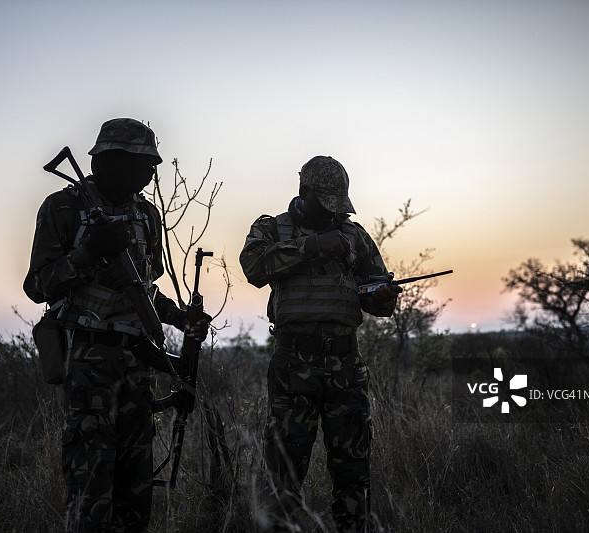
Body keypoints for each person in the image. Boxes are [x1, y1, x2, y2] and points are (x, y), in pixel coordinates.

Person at [23, 118, 209, 532]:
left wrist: (182, 318)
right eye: (140, 163)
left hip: (137, 366)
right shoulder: (64, 207)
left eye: (151, 165)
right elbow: (38, 286)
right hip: (89, 360)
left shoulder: (145, 214)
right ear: (109, 160)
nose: (148, 173)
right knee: (90, 486)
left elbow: (141, 290)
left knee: (135, 488)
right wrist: (88, 254)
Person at [239, 156, 402, 532]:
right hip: (293, 365)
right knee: (283, 473)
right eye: (324, 203)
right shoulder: (272, 229)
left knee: (353, 472)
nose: (332, 213)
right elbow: (254, 269)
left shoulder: (355, 235)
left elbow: (377, 293)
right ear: (303, 193)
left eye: (336, 206)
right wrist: (313, 246)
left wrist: (381, 297)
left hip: (346, 366)